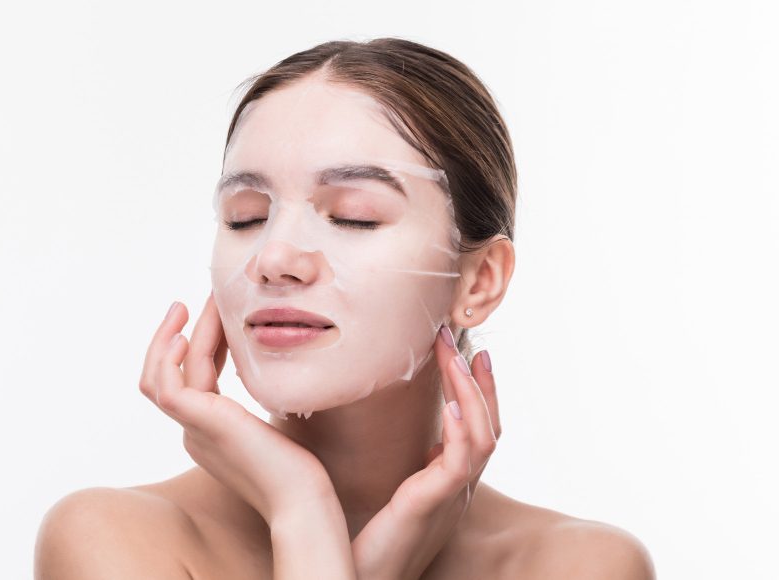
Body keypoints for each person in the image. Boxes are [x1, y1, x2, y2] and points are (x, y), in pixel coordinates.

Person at [34, 38, 655, 579]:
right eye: (245, 218)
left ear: (479, 281)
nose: (274, 257)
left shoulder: (580, 567)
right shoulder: (113, 540)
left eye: (354, 217)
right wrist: (301, 506)